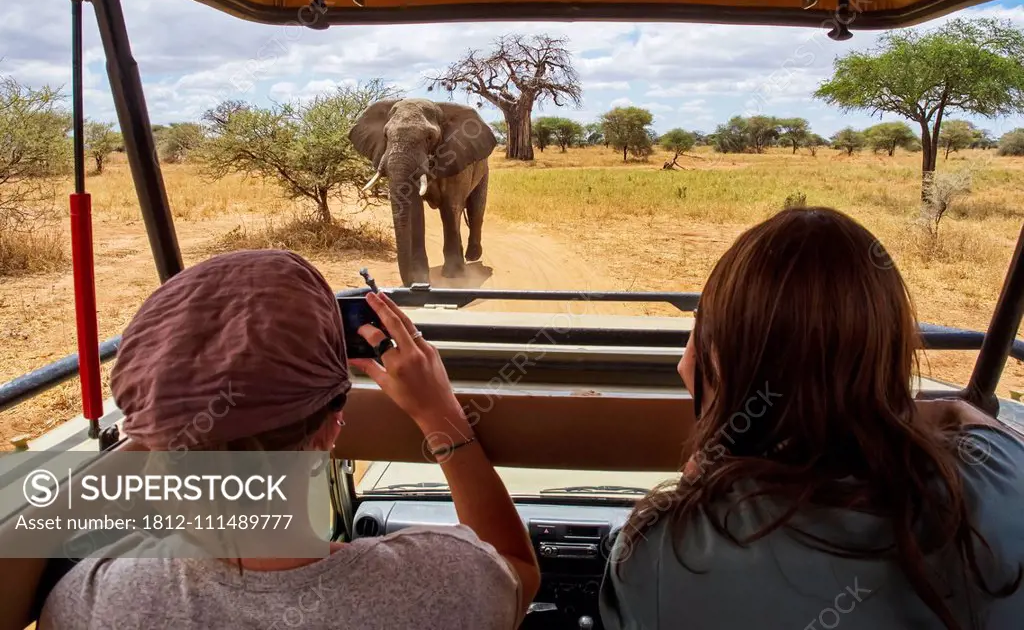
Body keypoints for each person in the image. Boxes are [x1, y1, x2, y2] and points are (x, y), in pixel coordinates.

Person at [39, 249, 539, 629]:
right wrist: (440, 415)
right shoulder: (442, 584)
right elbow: (516, 570)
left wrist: (172, 413)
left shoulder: (93, 601)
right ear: (332, 427)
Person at [600, 207, 1024, 630]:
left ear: (714, 359)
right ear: (892, 354)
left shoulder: (661, 555)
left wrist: (711, 459)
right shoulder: (1002, 483)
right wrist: (879, 406)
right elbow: (970, 421)